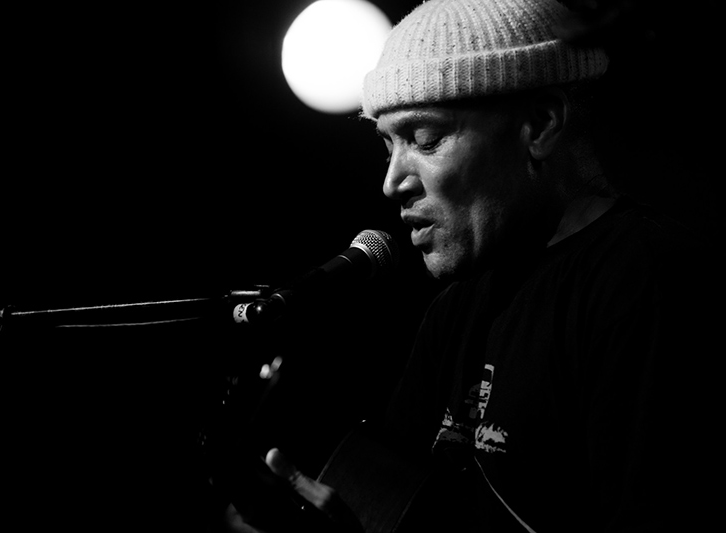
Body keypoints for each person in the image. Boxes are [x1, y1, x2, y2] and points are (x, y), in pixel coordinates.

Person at [222, 0, 720, 531]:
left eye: (426, 139)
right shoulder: (455, 311)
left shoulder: (648, 283)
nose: (392, 182)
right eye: (388, 146)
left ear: (540, 124)